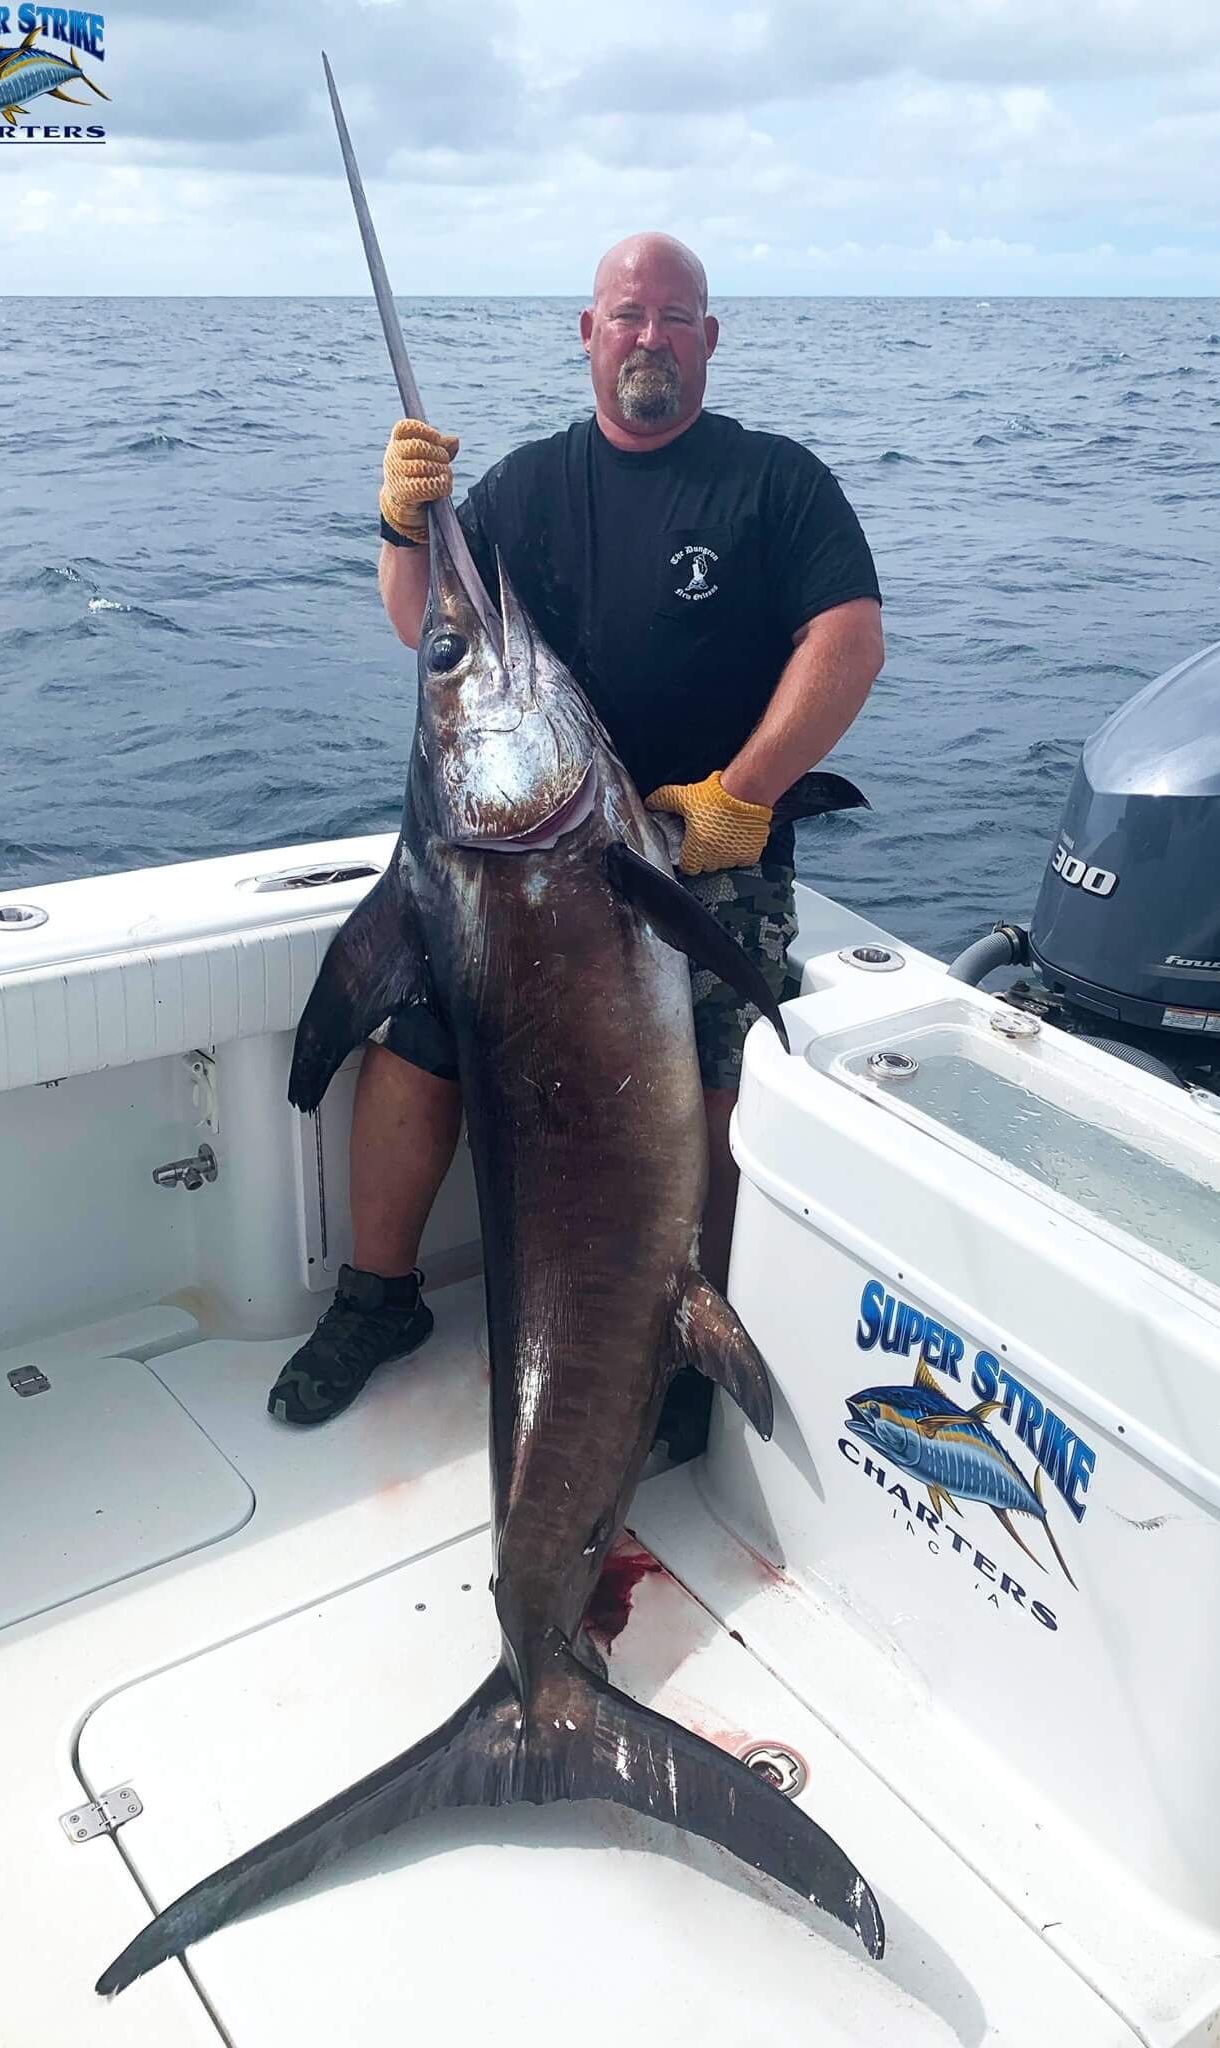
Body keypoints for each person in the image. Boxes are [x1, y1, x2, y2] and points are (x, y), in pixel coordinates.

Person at [268, 232, 884, 1428]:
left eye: (672, 316)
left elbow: (846, 642)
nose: (647, 336)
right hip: (521, 865)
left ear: (709, 338)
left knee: (715, 1076)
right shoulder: (522, 488)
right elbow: (423, 629)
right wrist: (403, 527)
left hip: (705, 853)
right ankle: (376, 1294)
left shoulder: (774, 482)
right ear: (587, 334)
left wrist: (739, 795)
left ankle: (684, 1335)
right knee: (418, 1039)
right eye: (625, 315)